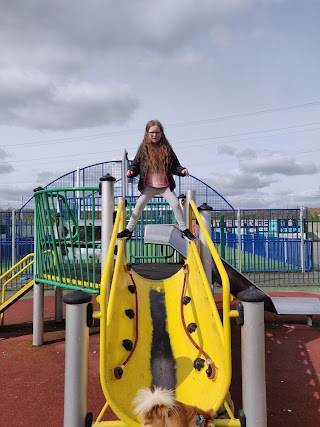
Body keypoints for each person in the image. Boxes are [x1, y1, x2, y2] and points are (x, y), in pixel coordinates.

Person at [117, 119, 195, 242]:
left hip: (164, 185)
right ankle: (129, 230)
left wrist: (182, 170)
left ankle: (184, 229)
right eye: (152, 132)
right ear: (147, 134)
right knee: (139, 206)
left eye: (157, 132)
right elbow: (136, 165)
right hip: (149, 185)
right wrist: (131, 171)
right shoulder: (143, 149)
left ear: (162, 133)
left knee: (175, 204)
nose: (154, 135)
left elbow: (175, 166)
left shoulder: (167, 149)